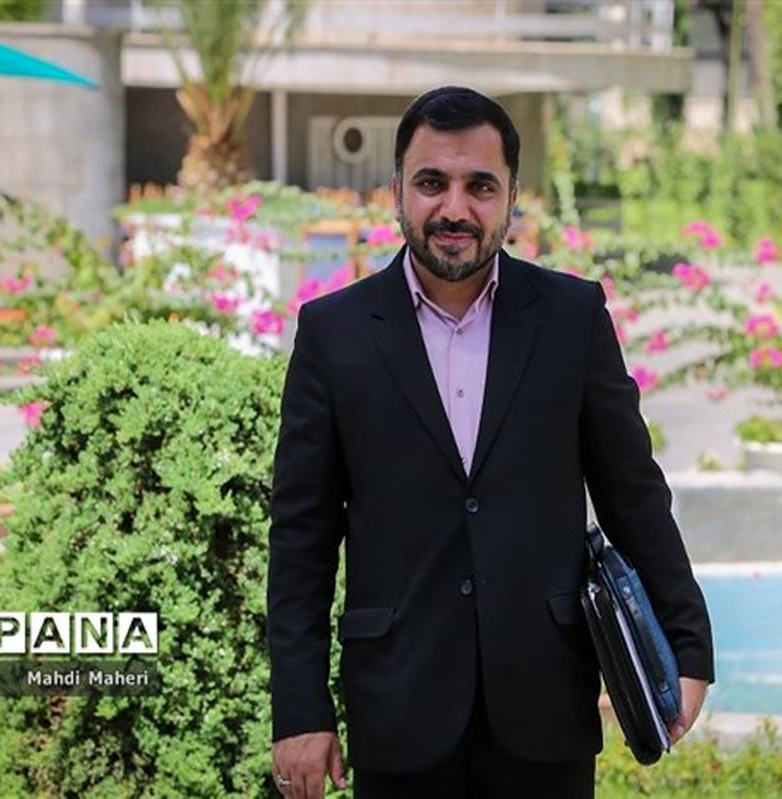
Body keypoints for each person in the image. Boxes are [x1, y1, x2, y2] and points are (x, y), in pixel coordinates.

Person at [267, 86, 713, 799]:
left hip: (545, 707)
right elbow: (301, 536)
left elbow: (633, 492)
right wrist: (300, 709)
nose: (455, 208)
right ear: (396, 192)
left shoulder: (572, 318)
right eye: (431, 183)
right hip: (398, 708)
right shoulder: (333, 334)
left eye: (480, 186)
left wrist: (687, 646)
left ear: (512, 198)